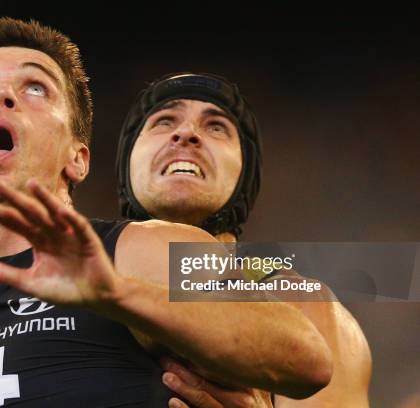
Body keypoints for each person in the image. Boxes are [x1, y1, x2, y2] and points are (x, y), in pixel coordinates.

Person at [0, 18, 332, 407]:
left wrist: (116, 295)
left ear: (76, 158)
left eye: (36, 87)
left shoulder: (142, 249)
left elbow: (305, 355)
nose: (1, 96)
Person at [115, 72, 373, 407]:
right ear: (127, 164)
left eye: (216, 127)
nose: (186, 133)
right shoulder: (57, 291)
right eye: (164, 121)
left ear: (243, 178)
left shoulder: (303, 306)